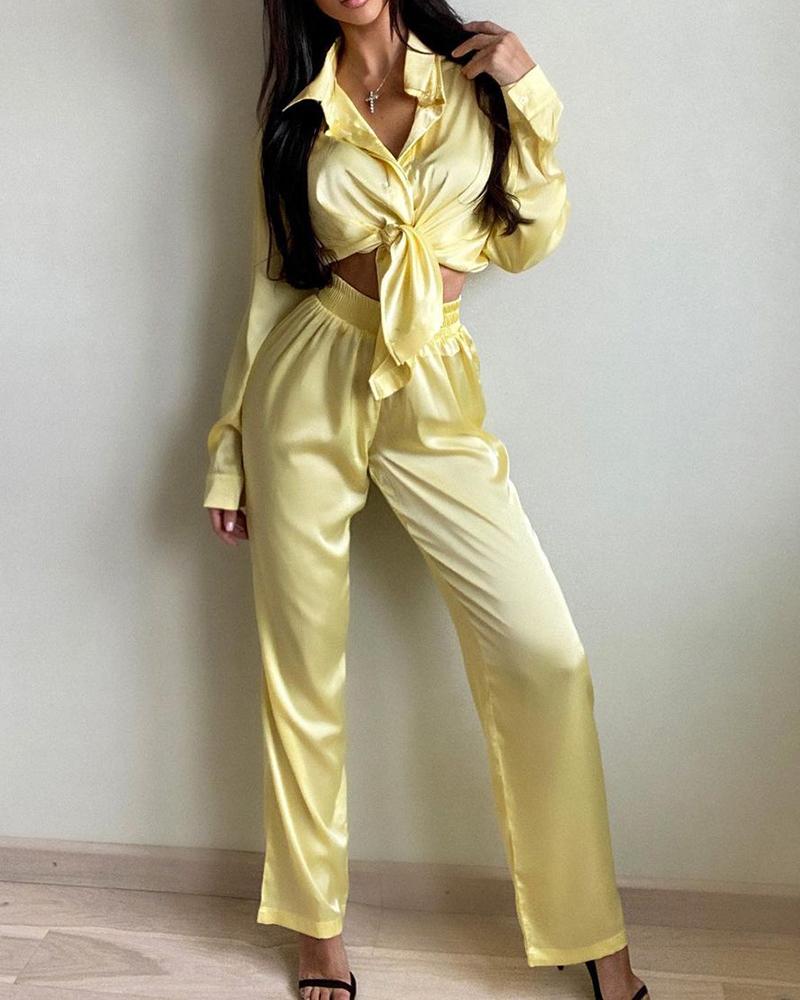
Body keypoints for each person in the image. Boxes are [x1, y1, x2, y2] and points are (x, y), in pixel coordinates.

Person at [203, 2, 650, 999]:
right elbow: (269, 285)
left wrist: (530, 94)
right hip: (308, 377)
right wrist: (229, 450)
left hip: (434, 381)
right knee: (301, 670)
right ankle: (317, 929)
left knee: (545, 656)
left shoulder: (475, 84)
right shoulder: (299, 110)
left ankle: (595, 936)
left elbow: (529, 241)